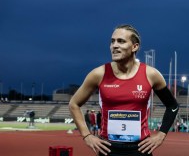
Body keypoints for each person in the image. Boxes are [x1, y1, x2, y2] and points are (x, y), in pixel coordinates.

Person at [69, 24, 179, 156]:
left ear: (135, 46)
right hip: (109, 149)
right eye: (112, 41)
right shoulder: (98, 74)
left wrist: (161, 135)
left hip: (140, 149)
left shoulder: (151, 74)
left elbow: (172, 105)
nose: (114, 46)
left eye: (121, 41)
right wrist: (87, 136)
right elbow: (74, 104)